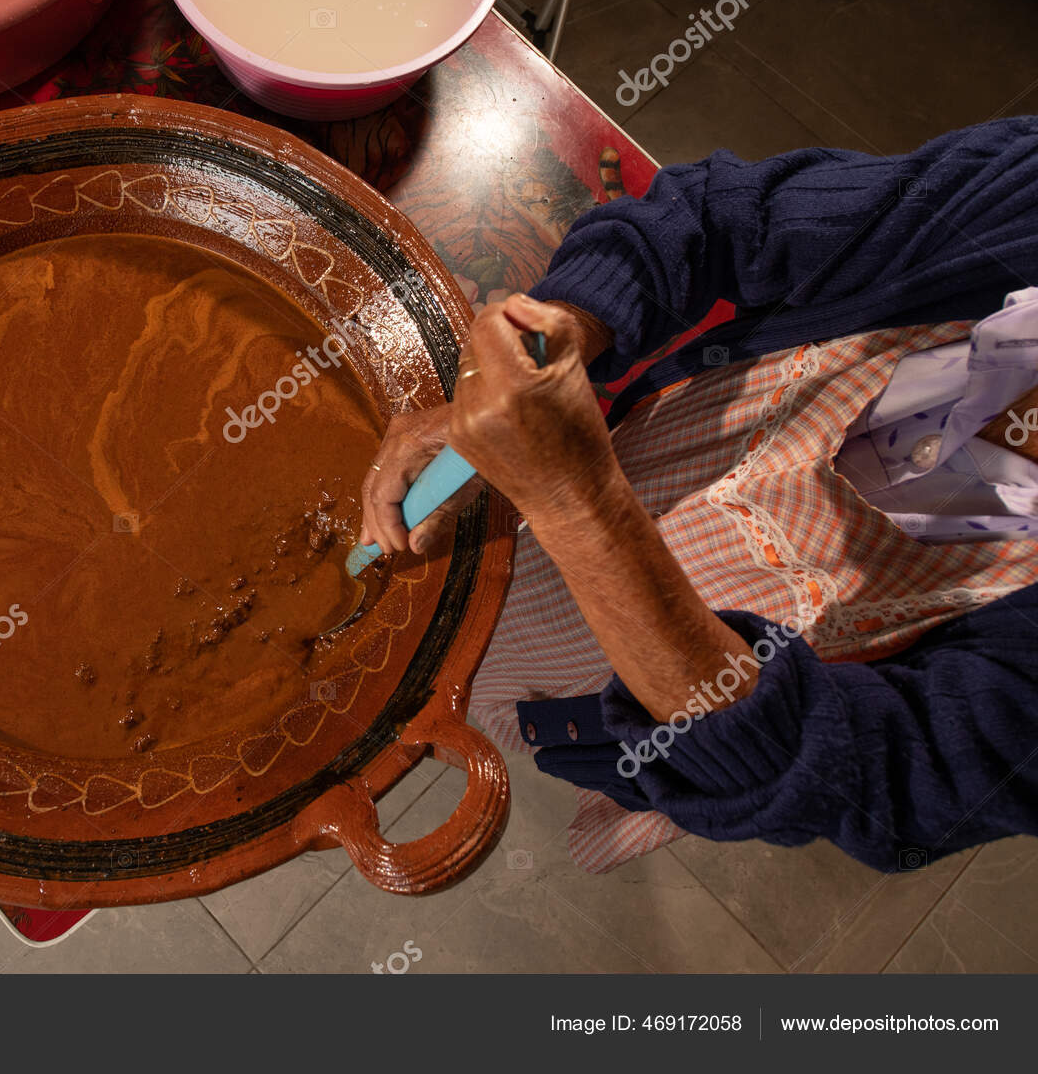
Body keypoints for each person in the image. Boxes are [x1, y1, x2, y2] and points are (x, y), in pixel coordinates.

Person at [358, 117, 1038, 873]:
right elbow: (717, 216)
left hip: (664, 679)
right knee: (425, 630)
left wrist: (575, 502)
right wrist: (558, 342)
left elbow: (862, 778)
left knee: (479, 703)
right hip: (653, 454)